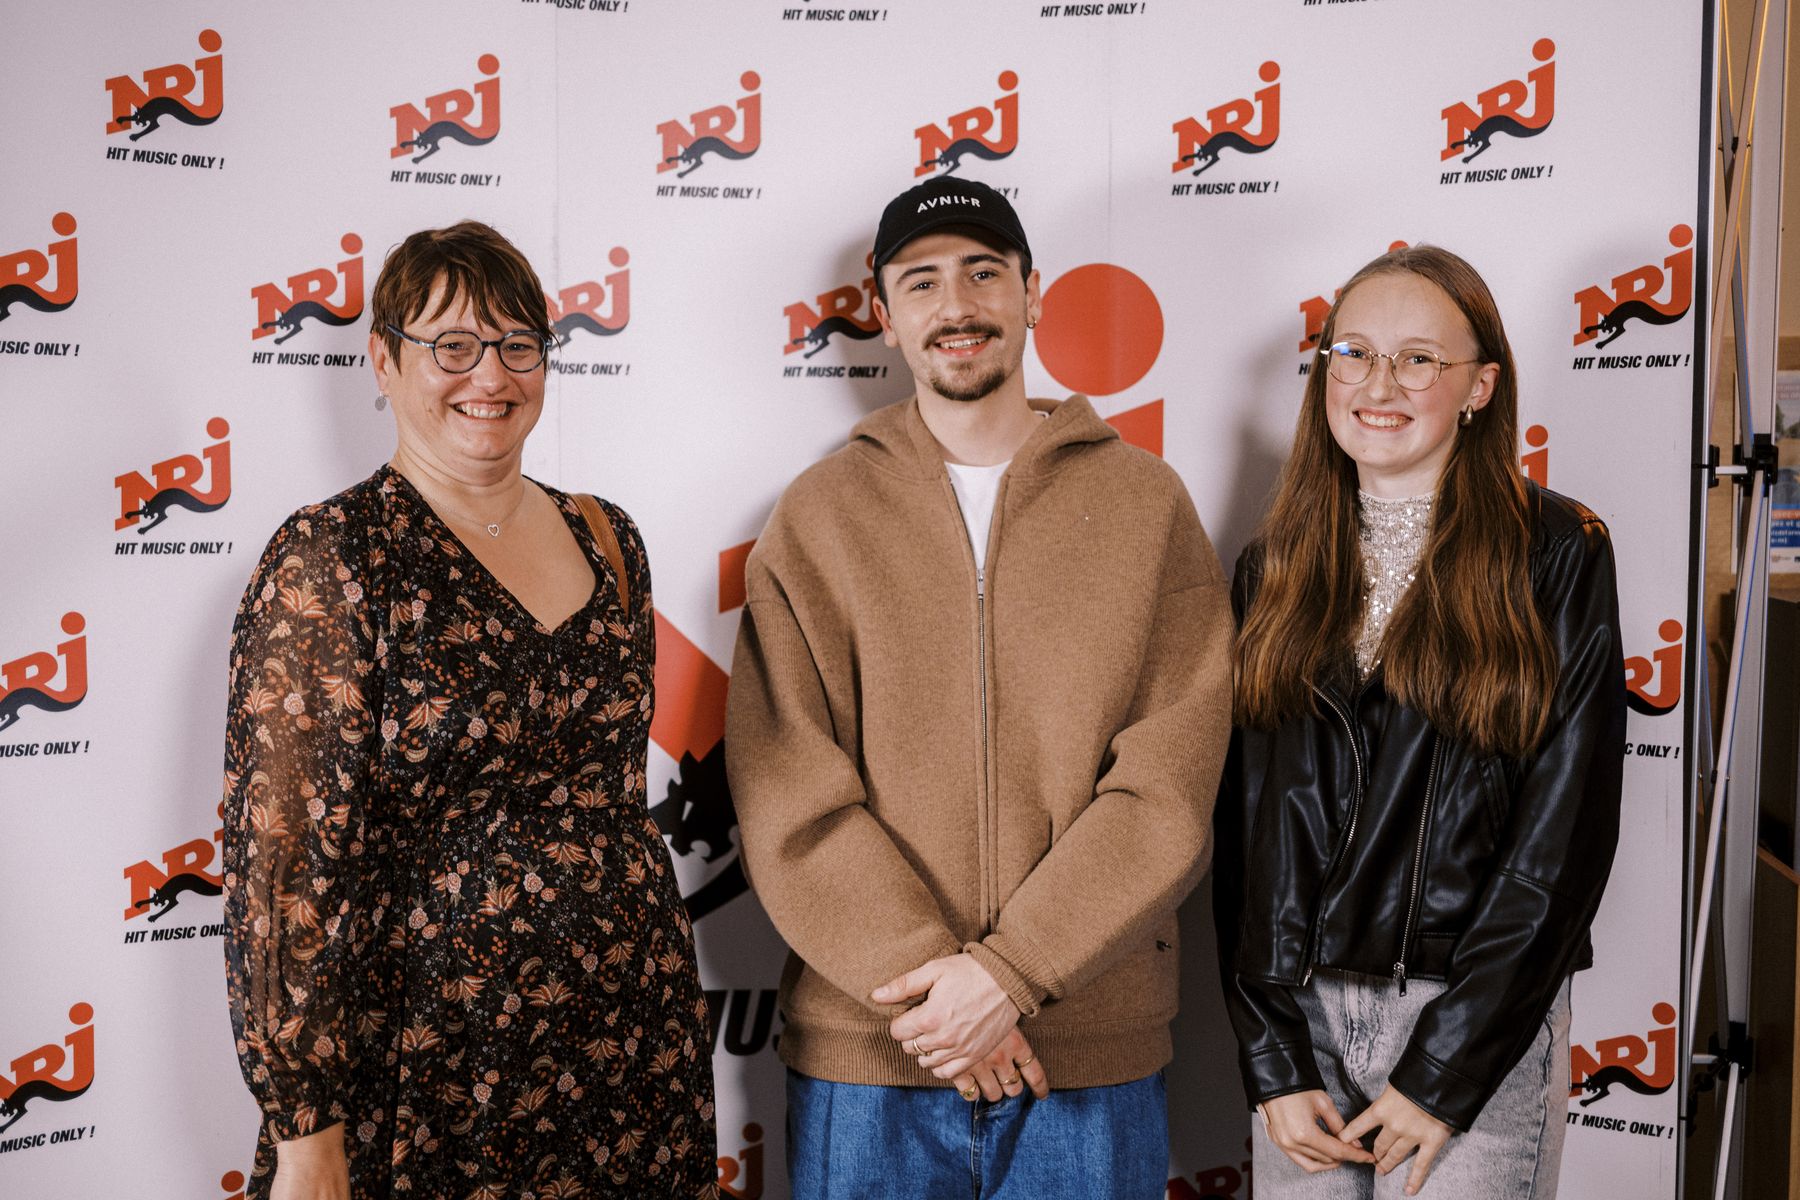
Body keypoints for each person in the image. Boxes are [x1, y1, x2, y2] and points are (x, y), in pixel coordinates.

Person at [725, 176, 1233, 1199]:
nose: (955, 306)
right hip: (873, 1057)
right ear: (884, 313)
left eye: (983, 273)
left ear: (1034, 294)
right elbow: (789, 795)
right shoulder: (819, 517)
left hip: (1086, 1054)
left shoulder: (1145, 505)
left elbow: (1167, 786)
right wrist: (942, 1001)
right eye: (921, 282)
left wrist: (1011, 973)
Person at [221, 221, 717, 1200]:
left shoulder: (608, 535)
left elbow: (615, 797)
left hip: (631, 1040)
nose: (488, 375)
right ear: (384, 361)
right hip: (435, 1063)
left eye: (516, 344)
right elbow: (283, 865)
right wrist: (304, 1127)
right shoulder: (335, 556)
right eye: (451, 345)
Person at [1213, 245, 1625, 1198]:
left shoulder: (1557, 553)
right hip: (1303, 1030)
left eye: (1418, 360)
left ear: (1480, 387)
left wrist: (1446, 1068)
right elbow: (1244, 829)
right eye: (1354, 353)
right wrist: (1271, 1056)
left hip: (1471, 1018)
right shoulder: (1271, 566)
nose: (1378, 384)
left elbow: (1564, 835)